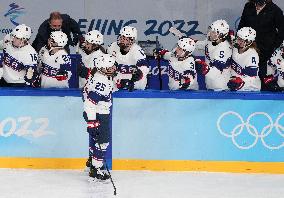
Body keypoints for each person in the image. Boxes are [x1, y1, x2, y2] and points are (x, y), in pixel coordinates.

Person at [82, 54, 116, 181]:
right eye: (110, 67)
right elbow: (90, 103)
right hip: (99, 113)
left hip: (95, 113)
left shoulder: (98, 74)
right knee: (103, 141)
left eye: (113, 65)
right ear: (103, 69)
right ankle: (96, 169)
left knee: (97, 140)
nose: (113, 68)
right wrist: (92, 122)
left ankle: (92, 161)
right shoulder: (101, 83)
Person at [238, 0, 284, 90]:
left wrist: (274, 45)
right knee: (246, 79)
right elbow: (242, 26)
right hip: (248, 50)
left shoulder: (275, 10)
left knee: (263, 82)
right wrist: (240, 41)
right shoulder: (248, 6)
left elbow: (282, 31)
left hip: (265, 52)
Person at [108, 26, 149, 91]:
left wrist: (135, 78)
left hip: (133, 82)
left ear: (131, 40)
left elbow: (144, 70)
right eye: (121, 37)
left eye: (124, 38)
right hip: (116, 81)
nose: (121, 40)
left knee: (141, 80)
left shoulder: (137, 51)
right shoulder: (112, 47)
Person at [228, 27, 261, 91]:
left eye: (243, 40)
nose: (239, 42)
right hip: (236, 86)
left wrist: (241, 82)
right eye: (239, 39)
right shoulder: (236, 45)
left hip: (250, 88)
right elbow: (232, 39)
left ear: (249, 42)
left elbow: (252, 77)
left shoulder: (252, 55)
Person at [203, 19, 232, 91]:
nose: (209, 33)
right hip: (211, 84)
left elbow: (217, 70)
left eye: (212, 31)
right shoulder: (211, 42)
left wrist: (203, 69)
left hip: (220, 86)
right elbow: (198, 44)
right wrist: (183, 39)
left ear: (219, 35)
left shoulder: (223, 48)